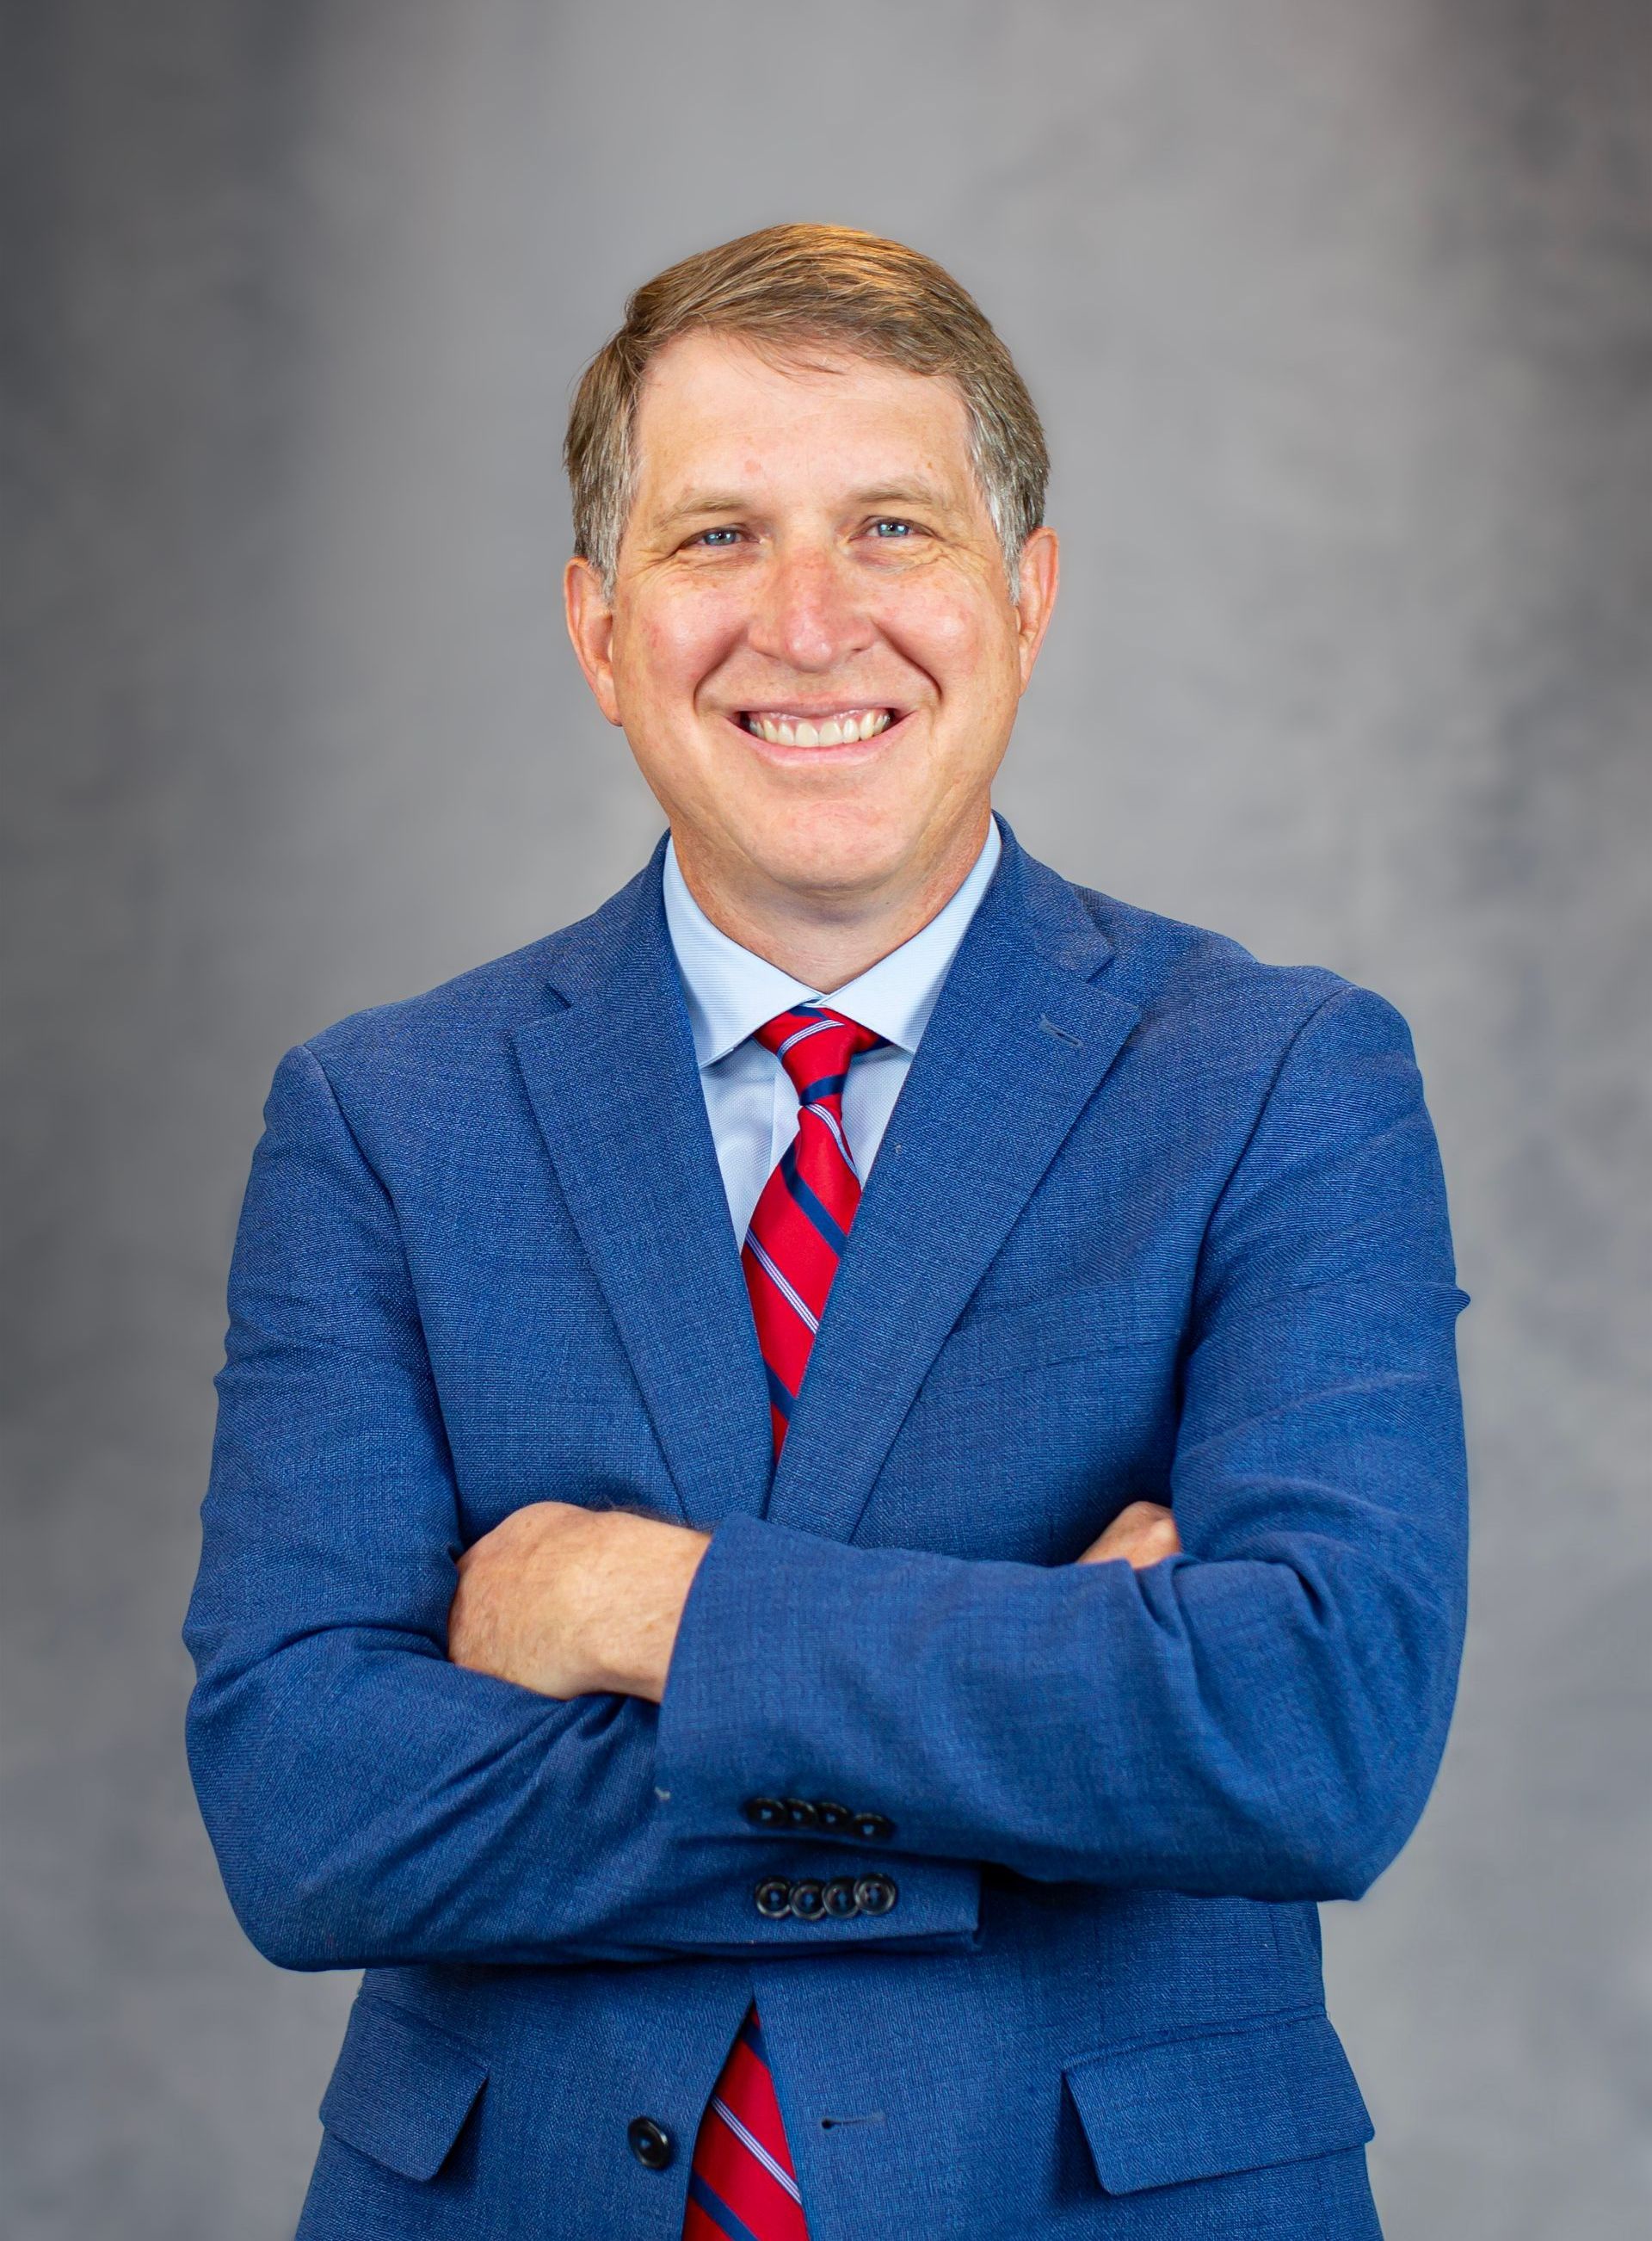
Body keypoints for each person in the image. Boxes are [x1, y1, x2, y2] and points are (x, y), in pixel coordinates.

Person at [183, 224, 1469, 2241]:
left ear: (1024, 597)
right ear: (599, 632)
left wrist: (642, 1613)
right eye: (717, 539)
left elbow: (1312, 1734)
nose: (809, 620)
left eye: (892, 526)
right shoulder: (384, 1117)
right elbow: (305, 1807)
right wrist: (1058, 1731)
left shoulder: (1280, 1078)